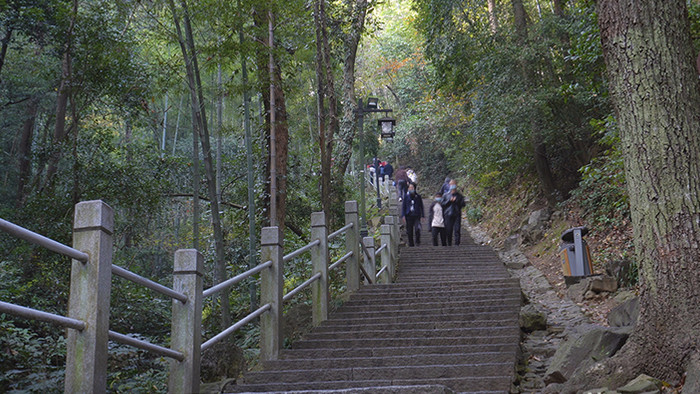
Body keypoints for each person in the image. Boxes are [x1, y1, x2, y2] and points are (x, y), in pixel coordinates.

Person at [441, 180, 465, 246]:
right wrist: (449, 201)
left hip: (457, 213)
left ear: (456, 185)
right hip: (448, 214)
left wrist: (456, 201)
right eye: (451, 184)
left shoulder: (459, 195)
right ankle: (449, 244)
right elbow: (442, 204)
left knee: (457, 229)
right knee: (448, 230)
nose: (452, 185)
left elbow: (463, 204)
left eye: (453, 184)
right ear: (449, 185)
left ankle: (457, 244)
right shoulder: (446, 195)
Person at [401, 182, 424, 247]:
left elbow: (421, 206)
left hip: (416, 215)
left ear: (415, 188)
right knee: (409, 230)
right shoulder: (406, 196)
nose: (411, 189)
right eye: (410, 187)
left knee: (417, 229)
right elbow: (403, 206)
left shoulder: (418, 196)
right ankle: (411, 243)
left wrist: (423, 215)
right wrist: (403, 215)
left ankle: (417, 241)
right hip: (409, 215)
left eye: (412, 188)